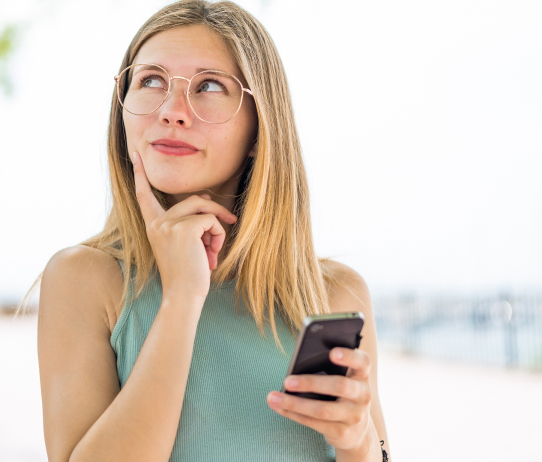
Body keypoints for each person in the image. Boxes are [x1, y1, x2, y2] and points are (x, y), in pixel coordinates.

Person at [31, 1, 391, 461]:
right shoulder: (85, 279)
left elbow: (379, 450)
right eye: (151, 81)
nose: (172, 111)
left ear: (260, 127)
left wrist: (360, 441)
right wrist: (181, 297)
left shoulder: (334, 296)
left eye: (208, 86)